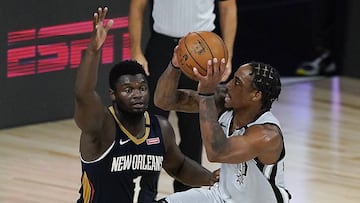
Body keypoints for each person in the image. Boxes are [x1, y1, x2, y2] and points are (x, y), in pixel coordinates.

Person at [74, 7, 219, 203]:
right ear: (113, 95)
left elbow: (180, 167)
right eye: (128, 90)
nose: (137, 94)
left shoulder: (161, 128)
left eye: (142, 88)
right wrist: (93, 51)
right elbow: (84, 95)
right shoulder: (102, 127)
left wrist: (210, 178)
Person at [153, 43, 292, 202]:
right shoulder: (224, 101)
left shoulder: (267, 135)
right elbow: (163, 100)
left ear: (256, 95)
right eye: (233, 78)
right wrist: (175, 65)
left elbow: (216, 153)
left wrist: (206, 95)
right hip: (221, 196)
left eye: (237, 83)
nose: (228, 86)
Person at [129, 0, 237, 192]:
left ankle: (187, 194)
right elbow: (137, 5)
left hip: (203, 48)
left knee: (194, 131)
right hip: (161, 46)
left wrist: (227, 52)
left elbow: (228, 6)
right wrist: (135, 50)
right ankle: (145, 192)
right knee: (150, 127)